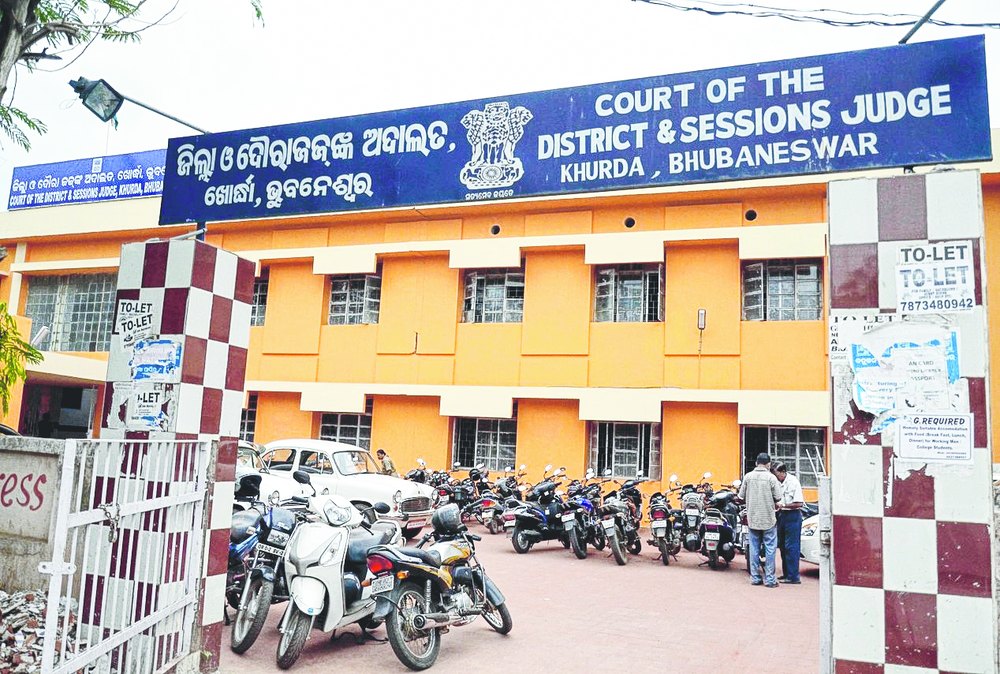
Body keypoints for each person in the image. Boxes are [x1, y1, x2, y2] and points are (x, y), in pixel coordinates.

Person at [737, 452, 783, 588]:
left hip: (753, 519)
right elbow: (778, 497)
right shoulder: (771, 478)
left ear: (756, 463)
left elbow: (740, 496)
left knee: (754, 548)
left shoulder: (748, 477)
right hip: (768, 519)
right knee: (770, 549)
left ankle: (755, 578)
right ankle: (770, 579)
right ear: (768, 464)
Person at [774, 463, 805, 585]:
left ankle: (793, 576)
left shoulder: (793, 482)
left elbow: (799, 503)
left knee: (791, 547)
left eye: (777, 474)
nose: (776, 477)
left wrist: (783, 505)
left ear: (783, 472)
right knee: (782, 546)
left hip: (793, 515)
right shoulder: (777, 483)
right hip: (782, 515)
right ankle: (787, 573)